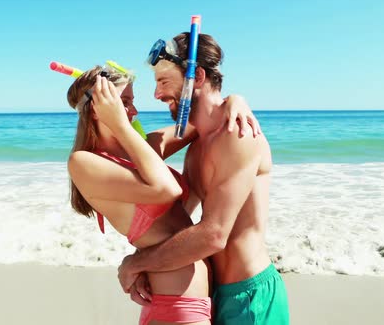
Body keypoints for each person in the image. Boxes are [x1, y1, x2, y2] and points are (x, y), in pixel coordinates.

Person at [66, 63, 261, 325]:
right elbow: (168, 189)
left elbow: (201, 123)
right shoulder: (84, 163)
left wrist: (237, 101)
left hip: (196, 304)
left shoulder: (142, 152)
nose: (133, 111)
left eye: (131, 101)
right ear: (98, 108)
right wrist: (121, 126)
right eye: (124, 102)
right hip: (176, 308)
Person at [117, 33, 290, 324]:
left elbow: (214, 234)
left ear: (196, 76)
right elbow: (178, 218)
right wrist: (144, 266)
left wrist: (136, 263)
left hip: (250, 299)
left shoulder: (238, 135)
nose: (157, 95)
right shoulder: (198, 145)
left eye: (163, 82)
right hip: (214, 294)